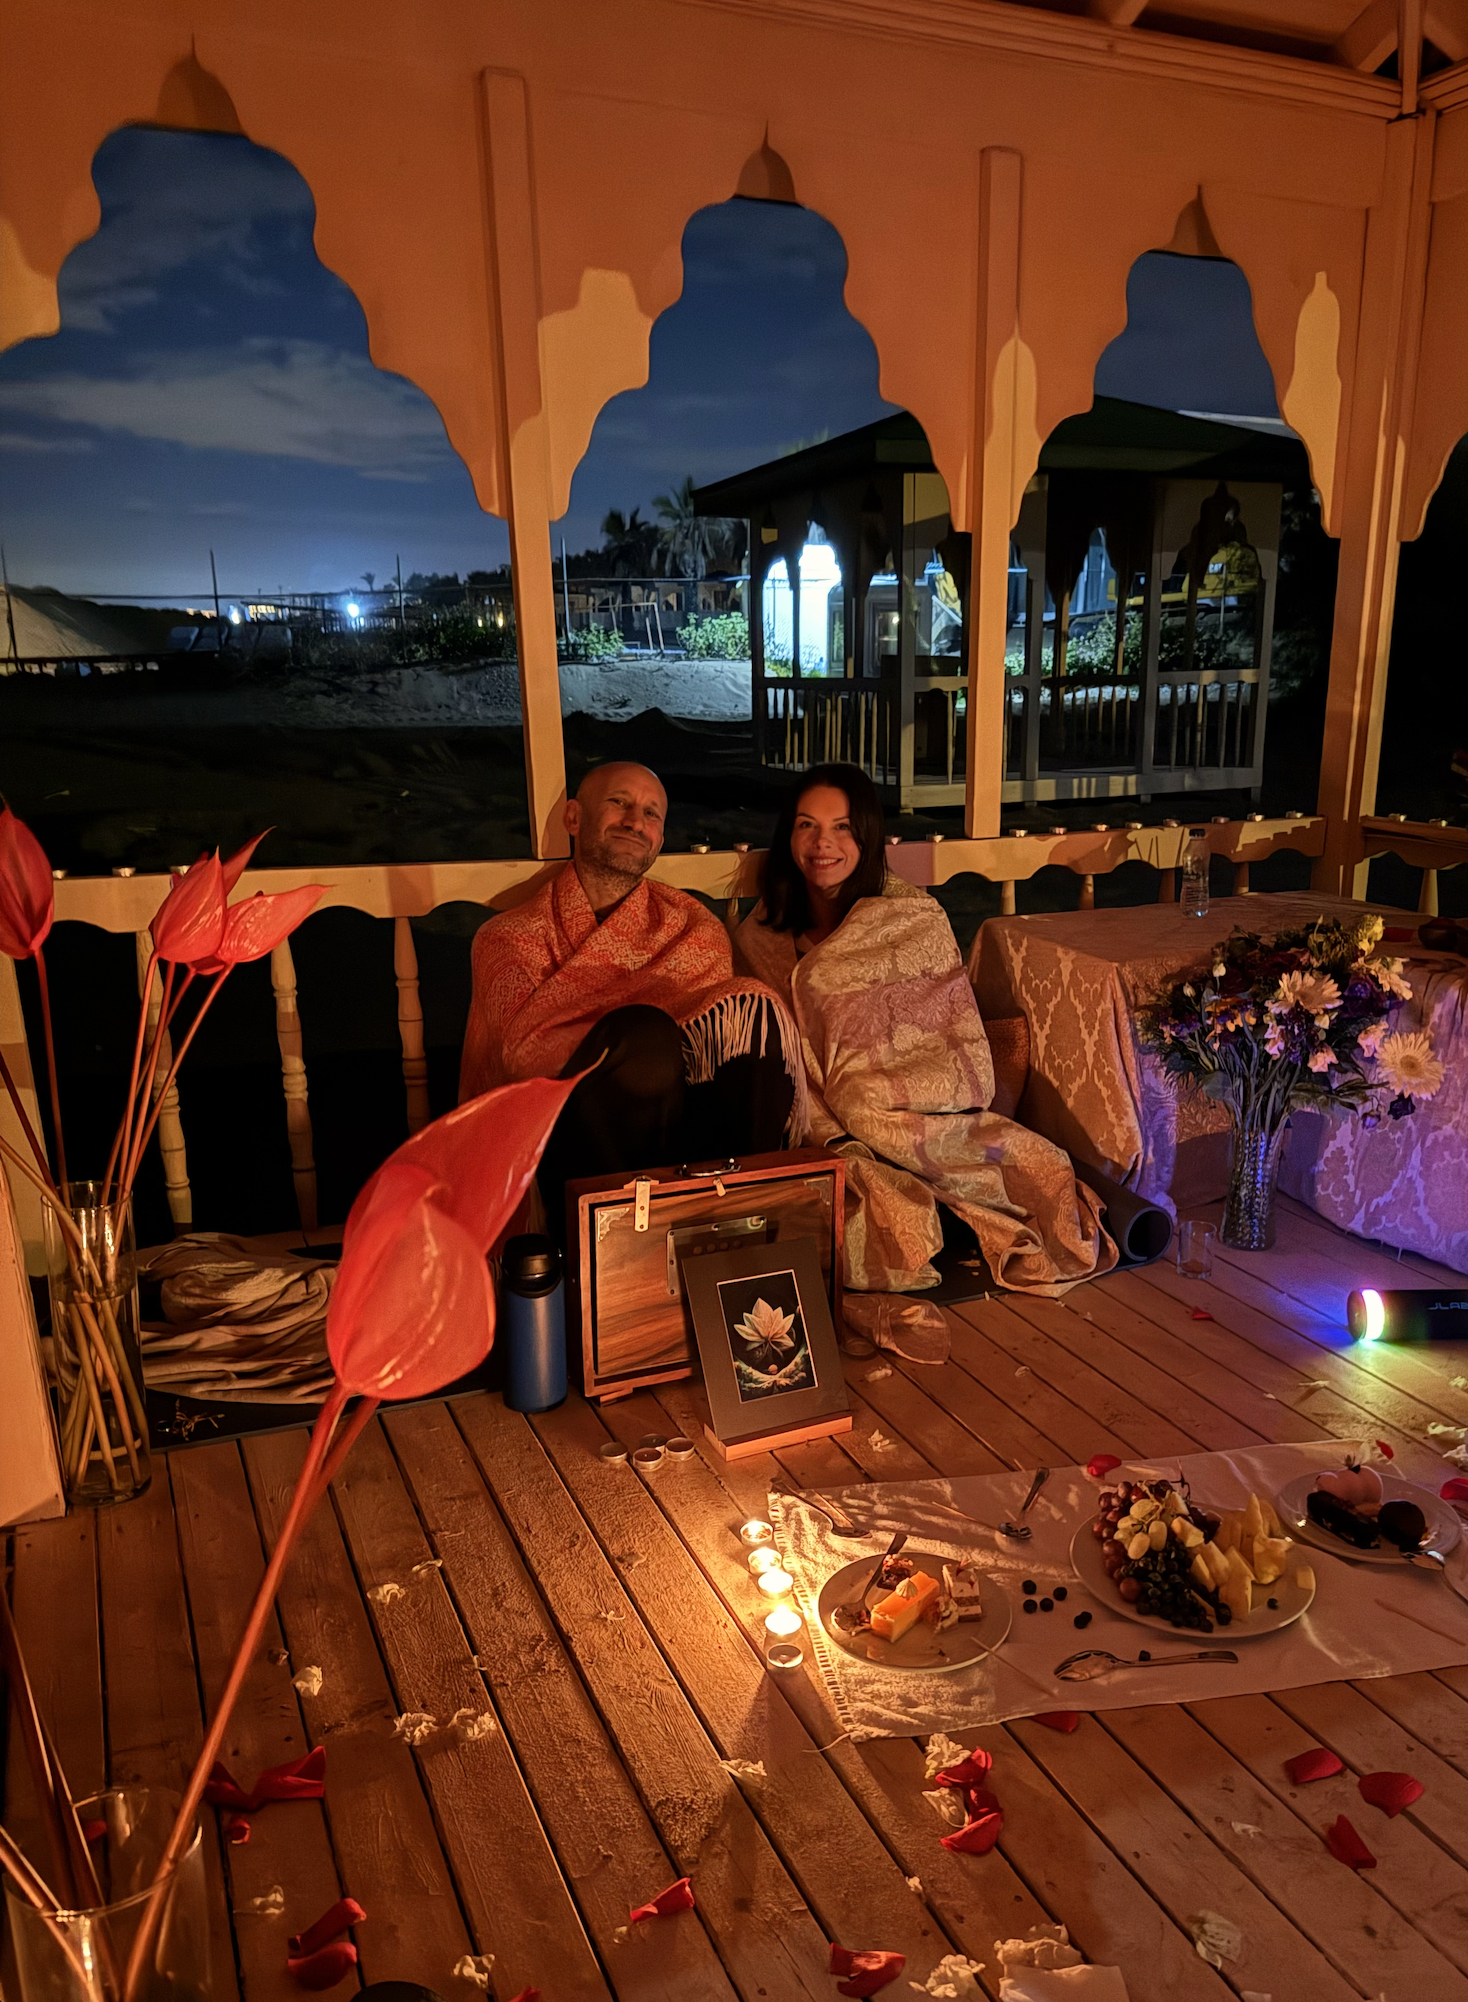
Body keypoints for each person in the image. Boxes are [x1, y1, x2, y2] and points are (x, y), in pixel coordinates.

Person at [734, 762, 1116, 1295]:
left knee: (1036, 1169)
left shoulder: (911, 916)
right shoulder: (761, 934)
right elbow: (771, 1039)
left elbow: (949, 1031)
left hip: (917, 1107)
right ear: (788, 834)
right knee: (863, 1188)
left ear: (866, 836)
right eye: (807, 825)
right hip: (821, 1113)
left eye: (842, 826)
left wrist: (867, 1089)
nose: (824, 843)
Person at [460, 761, 800, 1231]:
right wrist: (623, 1042)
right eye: (618, 803)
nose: (635, 822)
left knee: (755, 1007)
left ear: (660, 840)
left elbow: (719, 1050)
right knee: (643, 1038)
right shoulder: (511, 939)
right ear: (574, 818)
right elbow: (521, 1068)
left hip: (685, 1138)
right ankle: (623, 1242)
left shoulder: (691, 927)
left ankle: (745, 1217)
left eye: (652, 814)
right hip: (572, 1149)